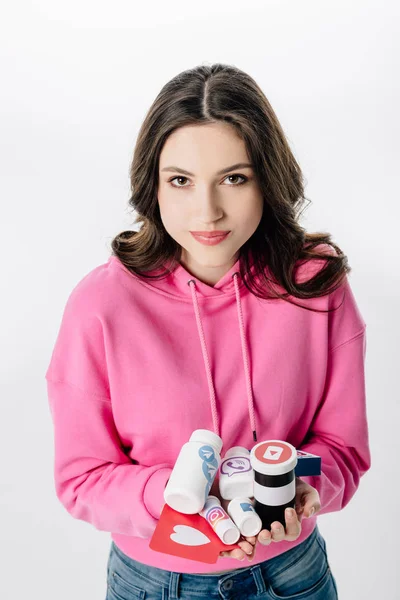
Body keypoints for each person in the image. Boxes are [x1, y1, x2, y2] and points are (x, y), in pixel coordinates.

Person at [45, 63, 371, 599]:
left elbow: (340, 449)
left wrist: (300, 487)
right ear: (152, 184)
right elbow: (82, 478)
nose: (208, 211)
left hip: (293, 575)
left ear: (268, 178)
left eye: (234, 178)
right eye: (181, 181)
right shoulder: (99, 305)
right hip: (154, 581)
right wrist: (168, 496)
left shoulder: (315, 283)